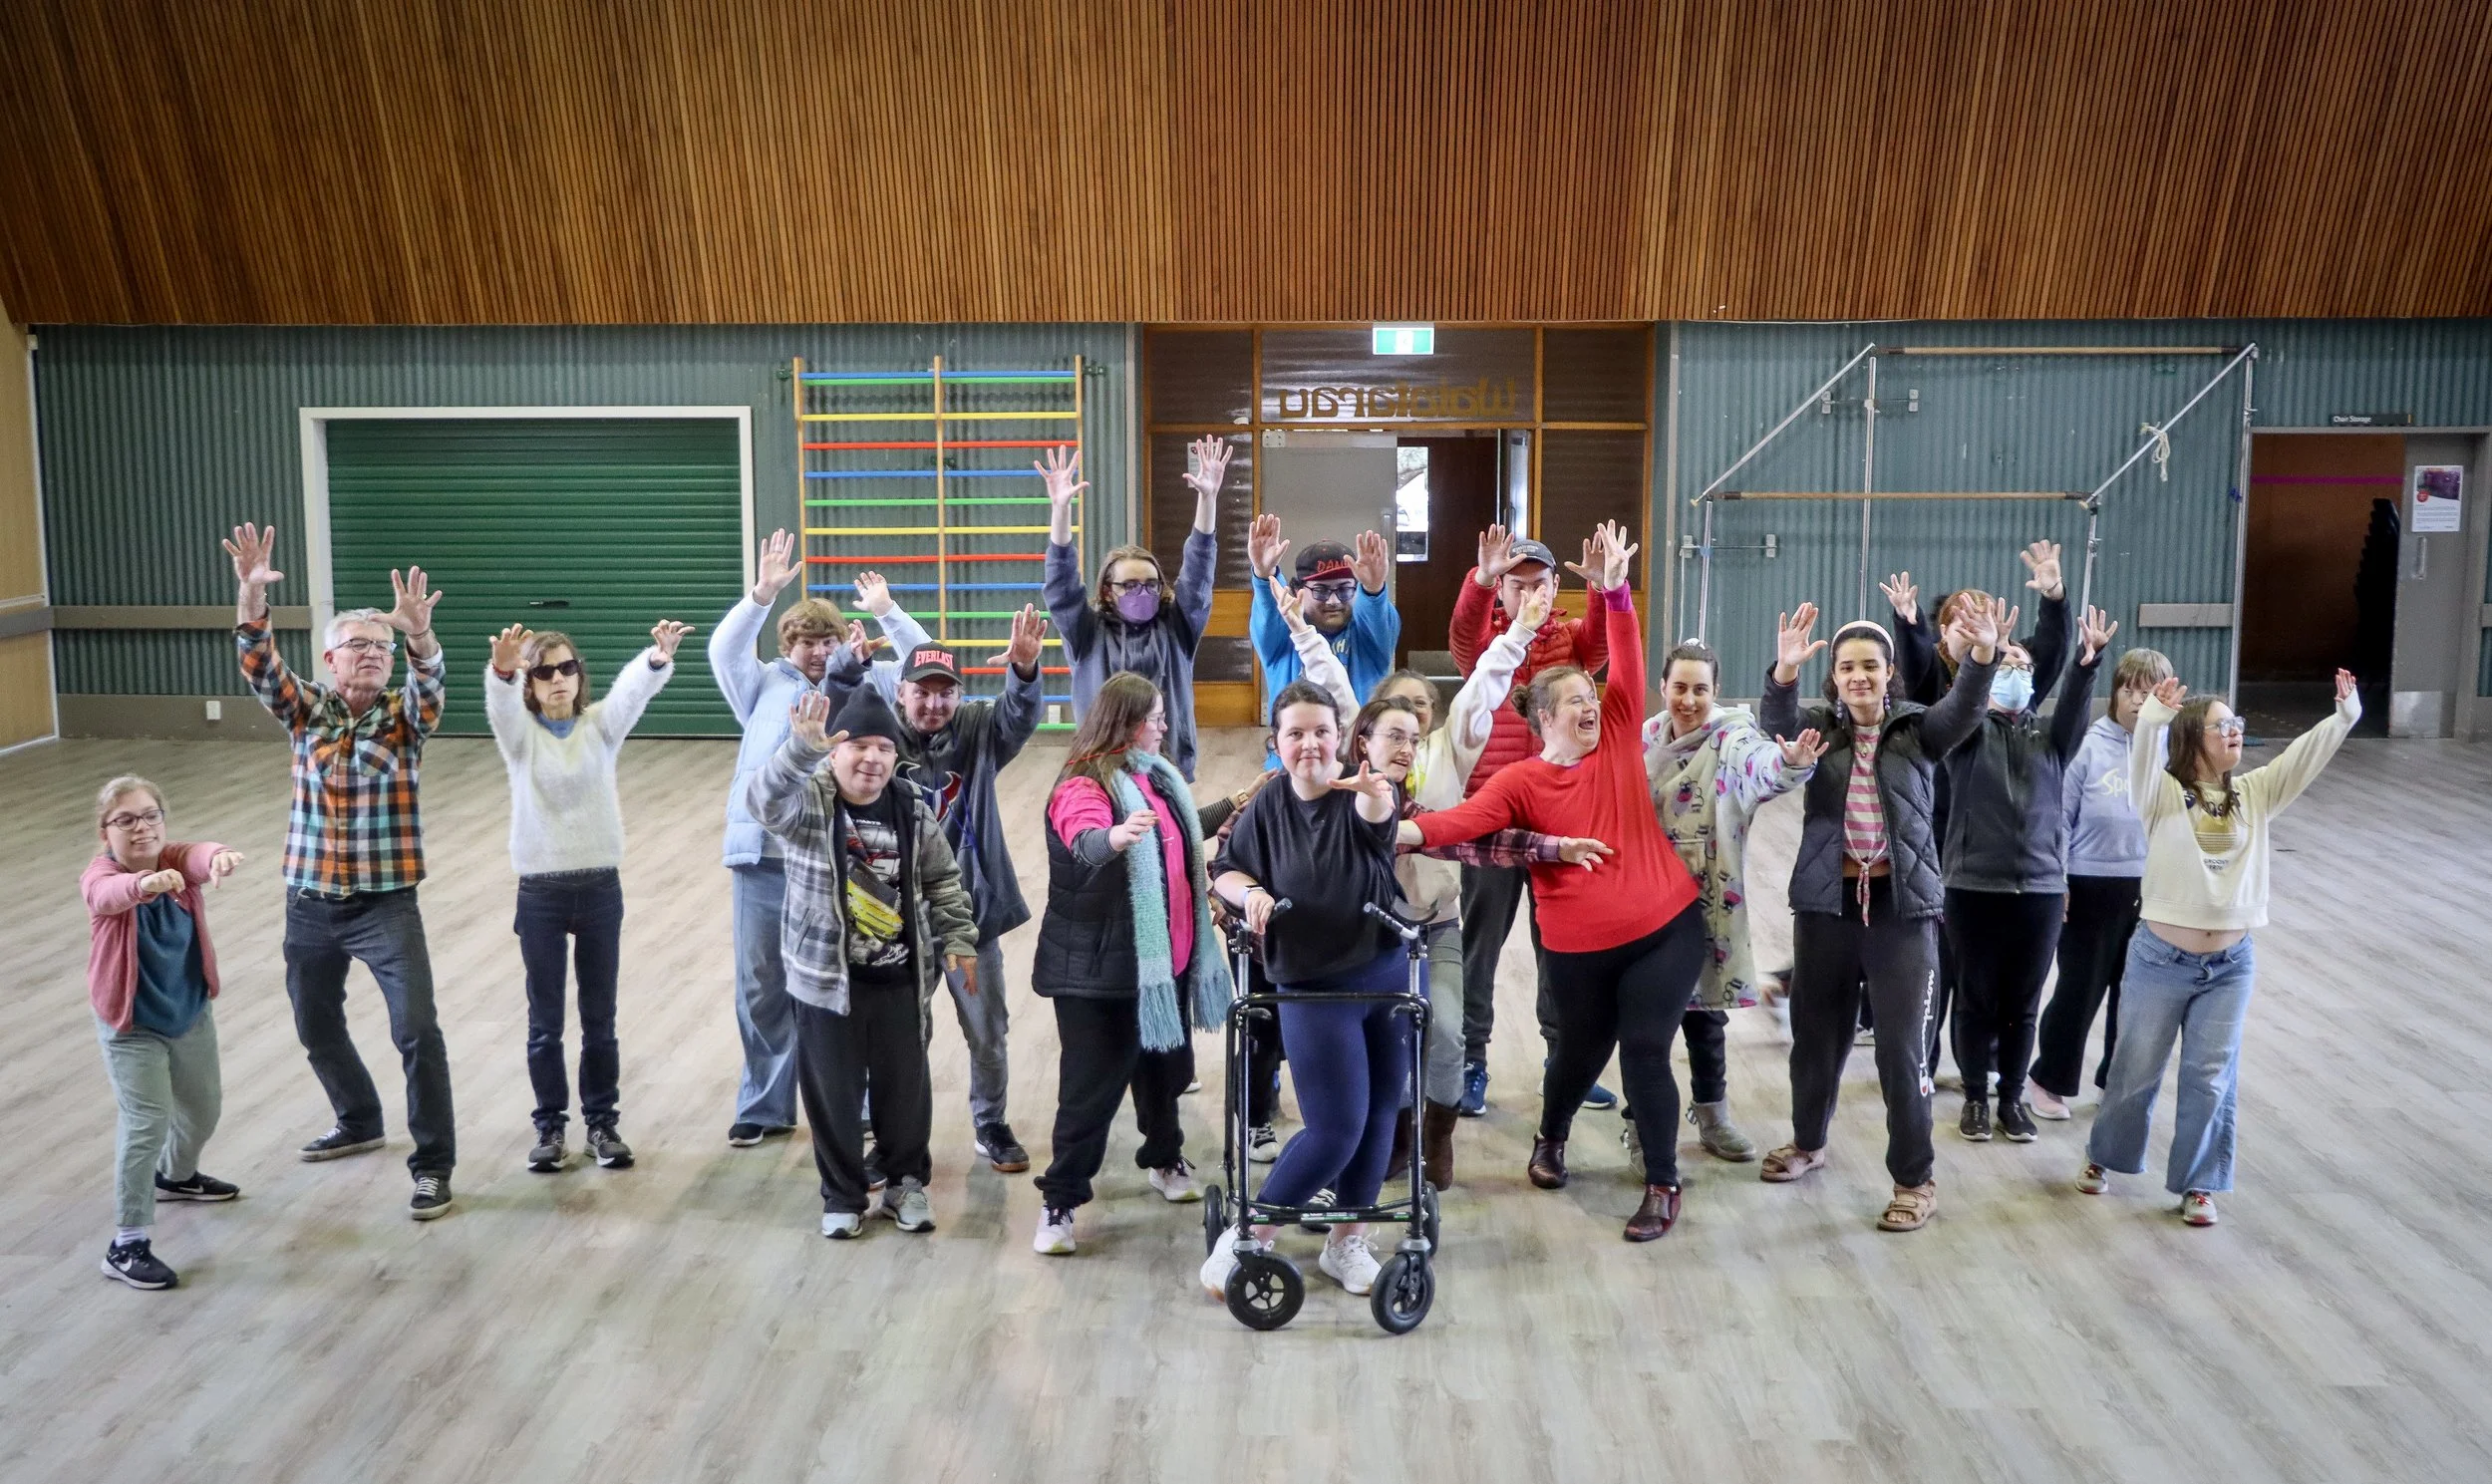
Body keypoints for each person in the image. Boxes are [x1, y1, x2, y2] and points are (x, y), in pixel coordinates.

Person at [1404, 522, 1713, 1244]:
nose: (1588, 702)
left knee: (1643, 1048)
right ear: (1543, 714)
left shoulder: (1616, 739)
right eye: (1571, 697)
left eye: (1591, 694)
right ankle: (1552, 1130)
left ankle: (1663, 1183)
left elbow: (1627, 656)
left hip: (1665, 929)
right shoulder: (1518, 780)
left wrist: (1614, 588)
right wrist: (1392, 827)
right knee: (1577, 1051)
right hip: (1582, 949)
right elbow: (1458, 823)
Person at [1281, 572, 1567, 1189]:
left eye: (1422, 710)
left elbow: (1487, 683)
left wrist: (1520, 628)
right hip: (1365, 933)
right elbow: (1330, 680)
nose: (1412, 719)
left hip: (1432, 925)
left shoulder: (1449, 752)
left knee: (1443, 1030)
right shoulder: (1358, 762)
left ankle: (1436, 1137)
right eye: (1399, 711)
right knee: (1382, 1037)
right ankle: (1394, 1133)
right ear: (1370, 727)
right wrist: (1302, 629)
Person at [226, 522, 460, 1221]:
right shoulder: (308, 713)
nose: (372, 655)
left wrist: (418, 637)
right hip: (310, 902)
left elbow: (432, 685)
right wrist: (249, 597)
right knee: (315, 1021)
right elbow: (261, 664)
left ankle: (434, 1164)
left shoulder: (404, 718)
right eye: (358, 645)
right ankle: (358, 1117)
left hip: (386, 904)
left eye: (380, 647)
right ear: (329, 658)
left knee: (417, 1027)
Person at [1755, 594, 2008, 1233]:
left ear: (1889, 671)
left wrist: (1981, 655)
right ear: (1834, 677)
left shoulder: (1919, 729)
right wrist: (1783, 672)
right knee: (1816, 1042)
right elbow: (1776, 726)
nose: (1859, 677)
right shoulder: (1821, 728)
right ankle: (1809, 1144)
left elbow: (1967, 707)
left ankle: (1913, 1179)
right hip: (1827, 910)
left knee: (1902, 1052)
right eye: (1846, 668)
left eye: (1870, 666)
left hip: (1903, 915)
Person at [2078, 669, 2360, 1226]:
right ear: (2190, 738)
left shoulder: (2255, 794)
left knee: (2211, 1074)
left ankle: (2199, 1184)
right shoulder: (2160, 793)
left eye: (2237, 723)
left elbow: (2302, 758)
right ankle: (2103, 1156)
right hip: (2160, 958)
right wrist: (2155, 715)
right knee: (2136, 1069)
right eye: (2220, 725)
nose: (2234, 732)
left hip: (2231, 964)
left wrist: (2344, 716)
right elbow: (2140, 759)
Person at [826, 592, 1049, 1175]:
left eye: (944, 691)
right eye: (921, 691)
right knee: (898, 1035)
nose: (933, 702)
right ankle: (891, 1134)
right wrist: (844, 668)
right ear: (899, 690)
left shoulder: (977, 730)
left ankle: (990, 1122)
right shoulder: (877, 740)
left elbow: (1019, 716)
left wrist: (1024, 671)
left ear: (958, 695)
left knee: (986, 1028)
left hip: (969, 921)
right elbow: (829, 724)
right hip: (892, 923)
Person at [747, 686, 981, 1239]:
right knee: (832, 1094)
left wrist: (958, 938)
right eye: (858, 747)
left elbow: (942, 879)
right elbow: (762, 802)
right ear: (834, 753)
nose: (872, 759)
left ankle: (904, 1184)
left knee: (906, 1092)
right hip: (826, 983)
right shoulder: (810, 804)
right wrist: (796, 753)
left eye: (884, 748)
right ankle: (844, 1196)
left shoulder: (912, 810)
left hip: (899, 979)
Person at [1205, 680, 1406, 1297]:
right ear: (1277, 743)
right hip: (1311, 985)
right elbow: (1225, 870)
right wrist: (1252, 893)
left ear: (1340, 737)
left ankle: (1347, 1244)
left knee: (1379, 1116)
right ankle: (1249, 1233)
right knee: (1336, 1127)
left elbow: (1379, 819)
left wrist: (1378, 795)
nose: (1310, 744)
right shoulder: (1267, 805)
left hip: (1385, 974)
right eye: (1296, 733)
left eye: (1322, 731)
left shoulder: (1365, 793)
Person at [1029, 673, 1237, 1255]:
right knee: (1089, 1093)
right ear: (1124, 723)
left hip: (1159, 966)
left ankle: (1164, 1159)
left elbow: (1179, 832)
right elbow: (1086, 840)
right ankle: (1061, 1200)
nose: (1164, 727)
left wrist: (1235, 804)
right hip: (1098, 976)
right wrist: (1115, 838)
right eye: (1155, 718)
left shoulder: (1154, 779)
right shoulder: (1082, 783)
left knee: (1162, 1076)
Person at [483, 618, 688, 1174]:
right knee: (545, 1021)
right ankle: (550, 1128)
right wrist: (502, 672)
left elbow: (630, 695)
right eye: (543, 671)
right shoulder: (520, 737)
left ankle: (602, 1124)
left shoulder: (599, 727)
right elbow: (500, 708)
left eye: (566, 669)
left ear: (579, 676)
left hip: (600, 888)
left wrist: (656, 658)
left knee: (600, 1018)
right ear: (531, 683)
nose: (557, 680)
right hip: (541, 894)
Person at [1880, 547, 2069, 1081]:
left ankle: (1983, 1072)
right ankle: (1924, 1059)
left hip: (1992, 843)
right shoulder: (1935, 684)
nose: (1975, 627)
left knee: (1985, 973)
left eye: (1984, 618)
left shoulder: (2016, 678)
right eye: (1961, 622)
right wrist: (1909, 623)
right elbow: (1915, 673)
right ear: (1945, 634)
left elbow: (2053, 654)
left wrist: (2053, 598)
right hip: (1934, 837)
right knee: (1932, 962)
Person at [1446, 523, 1614, 1117]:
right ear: (1502, 592)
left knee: (1559, 947)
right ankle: (1472, 1061)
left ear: (1552, 587)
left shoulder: (1571, 642)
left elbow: (1600, 642)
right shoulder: (1487, 648)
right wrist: (1480, 579)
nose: (1529, 595)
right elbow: (1462, 635)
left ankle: (1562, 1061)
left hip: (1560, 820)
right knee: (1479, 946)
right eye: (1516, 586)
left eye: (1538, 584)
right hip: (1492, 818)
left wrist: (1600, 587)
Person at [1635, 639, 1818, 1166]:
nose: (1688, 699)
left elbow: (1759, 765)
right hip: (1645, 900)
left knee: (1704, 1015)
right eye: (1679, 688)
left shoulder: (1731, 736)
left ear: (1716, 692)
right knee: (1644, 1020)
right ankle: (1641, 1123)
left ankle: (1712, 1115)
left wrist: (1789, 764)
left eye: (1700, 689)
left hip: (1703, 899)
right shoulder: (1646, 737)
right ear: (1663, 688)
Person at [1941, 605, 2115, 1145]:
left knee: (2023, 1003)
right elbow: (1963, 702)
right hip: (1973, 887)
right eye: (2005, 665)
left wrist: (2087, 666)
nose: (2016, 671)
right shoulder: (1965, 734)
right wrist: (1984, 656)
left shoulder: (2051, 740)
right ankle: (1974, 1097)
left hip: (2039, 891)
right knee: (1976, 999)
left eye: (2022, 665)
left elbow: (2075, 712)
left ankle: (2011, 1099)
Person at [708, 529, 853, 1149]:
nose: (818, 652)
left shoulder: (856, 690)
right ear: (787, 644)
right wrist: (763, 595)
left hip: (826, 858)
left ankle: (856, 1106)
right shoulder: (761, 686)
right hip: (761, 860)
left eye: (829, 641)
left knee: (841, 980)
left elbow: (916, 659)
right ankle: (765, 1105)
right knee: (761, 982)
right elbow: (723, 648)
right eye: (806, 641)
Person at [83, 778, 245, 1290]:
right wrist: (143, 887)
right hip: (131, 1026)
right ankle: (127, 1242)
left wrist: (218, 856)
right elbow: (105, 895)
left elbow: (197, 854)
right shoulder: (101, 874)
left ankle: (176, 1177)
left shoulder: (173, 858)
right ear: (105, 831)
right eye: (125, 820)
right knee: (146, 1122)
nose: (141, 828)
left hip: (189, 1014)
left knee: (204, 1111)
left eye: (150, 815)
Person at [2029, 646, 2174, 1119]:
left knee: (2134, 995)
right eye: (2129, 690)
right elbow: (2059, 818)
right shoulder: (2087, 746)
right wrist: (2060, 879)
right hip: (2089, 885)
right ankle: (2048, 1080)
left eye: (2149, 691)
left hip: (2150, 888)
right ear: (2115, 693)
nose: (2137, 701)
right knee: (2079, 987)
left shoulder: (2170, 750)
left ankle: (2118, 1081)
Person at [1043, 440, 1228, 781]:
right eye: (1129, 585)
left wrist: (1208, 498)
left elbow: (1199, 572)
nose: (1142, 592)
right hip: (1102, 768)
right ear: (1107, 592)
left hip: (1168, 765)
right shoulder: (1087, 632)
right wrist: (1061, 510)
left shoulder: (1177, 628)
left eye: (1150, 584)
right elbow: (1062, 588)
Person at [1247, 514, 1402, 704]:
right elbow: (1270, 612)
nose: (1333, 601)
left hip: (1357, 733)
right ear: (1298, 591)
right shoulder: (1281, 638)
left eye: (1344, 589)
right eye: (1321, 590)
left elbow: (1376, 617)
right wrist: (1264, 575)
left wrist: (1373, 590)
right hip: (1298, 732)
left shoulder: (1371, 640)